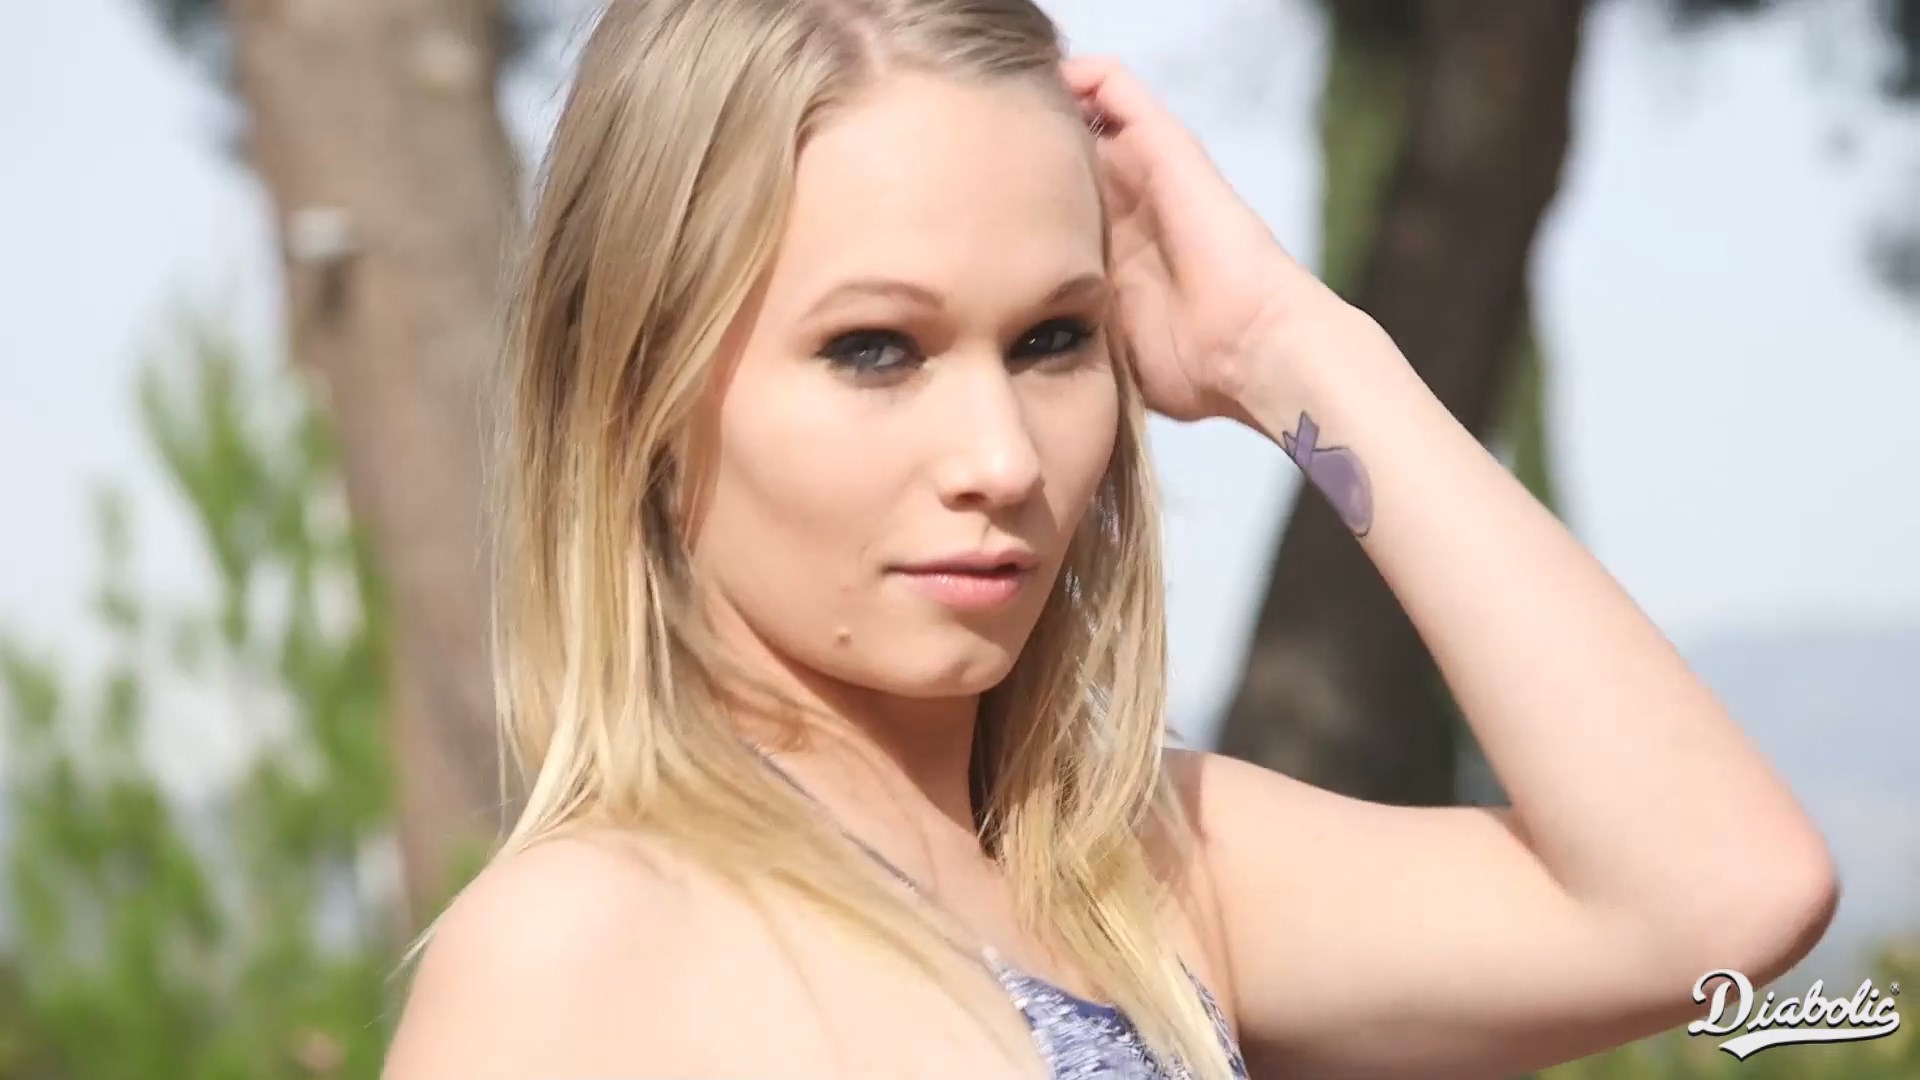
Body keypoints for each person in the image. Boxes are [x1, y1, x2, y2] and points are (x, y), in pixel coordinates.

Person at [381, 0, 1838, 1077]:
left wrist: (1290, 347)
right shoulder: (584, 952)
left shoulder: (1150, 871)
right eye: (877, 349)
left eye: (1054, 340)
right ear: (633, 385)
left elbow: (1719, 899)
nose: (1004, 459)